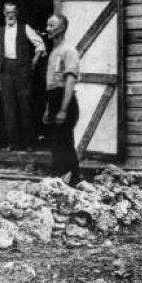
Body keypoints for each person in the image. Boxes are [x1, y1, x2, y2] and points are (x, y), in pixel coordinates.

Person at [0, 2, 46, 151]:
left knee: (25, 107)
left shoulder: (25, 28)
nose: (10, 15)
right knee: (9, 109)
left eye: (13, 12)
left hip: (22, 72)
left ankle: (29, 143)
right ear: (3, 14)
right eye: (7, 12)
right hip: (6, 72)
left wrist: (35, 60)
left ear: (16, 14)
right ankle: (13, 144)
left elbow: (40, 44)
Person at [42, 13, 81, 185]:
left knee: (65, 143)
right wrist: (48, 109)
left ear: (62, 28)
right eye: (47, 25)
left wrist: (63, 110)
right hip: (54, 100)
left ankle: (73, 181)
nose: (47, 29)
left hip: (65, 101)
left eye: (51, 25)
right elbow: (51, 85)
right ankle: (59, 182)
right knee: (56, 144)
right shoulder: (53, 52)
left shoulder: (69, 50)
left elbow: (70, 82)